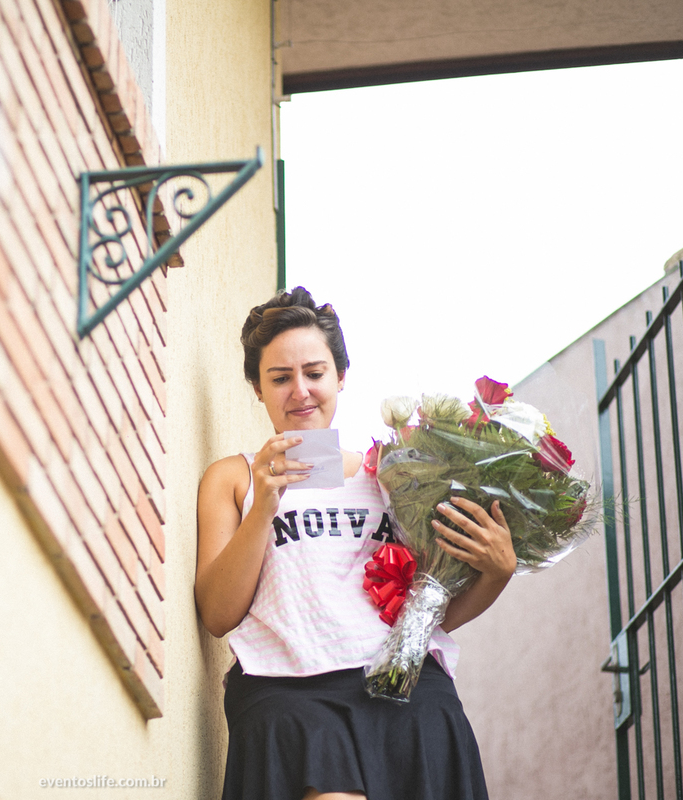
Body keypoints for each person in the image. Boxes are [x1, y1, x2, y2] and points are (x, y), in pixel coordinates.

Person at [195, 287, 518, 800]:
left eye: (315, 373)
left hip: (400, 682)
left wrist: (497, 572)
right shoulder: (233, 478)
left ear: (341, 377)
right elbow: (216, 614)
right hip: (288, 688)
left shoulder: (391, 472)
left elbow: (430, 610)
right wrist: (263, 508)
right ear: (257, 388)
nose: (300, 390)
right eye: (280, 378)